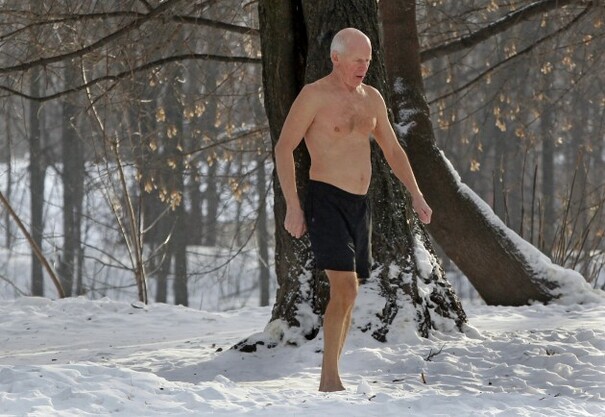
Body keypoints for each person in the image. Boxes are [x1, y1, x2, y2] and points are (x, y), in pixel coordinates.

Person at [274, 27, 432, 392]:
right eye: (357, 60)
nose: (363, 67)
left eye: (368, 61)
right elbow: (283, 148)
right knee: (344, 287)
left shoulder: (371, 98)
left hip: (360, 205)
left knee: (351, 292)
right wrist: (293, 206)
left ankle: (331, 374)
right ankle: (329, 380)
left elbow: (392, 149)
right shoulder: (314, 96)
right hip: (325, 200)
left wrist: (417, 194)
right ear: (336, 58)